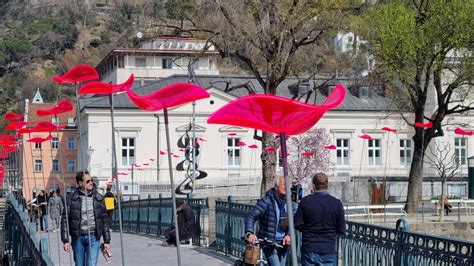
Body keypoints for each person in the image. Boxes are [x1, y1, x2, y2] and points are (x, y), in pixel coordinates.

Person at [294, 173, 345, 266]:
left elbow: (297, 223)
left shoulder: (305, 202)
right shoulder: (336, 203)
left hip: (310, 247)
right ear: (327, 185)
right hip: (328, 248)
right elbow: (341, 228)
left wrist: (307, 229)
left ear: (314, 185)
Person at [61, 171, 111, 266]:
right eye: (88, 181)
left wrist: (107, 241)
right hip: (78, 238)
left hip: (94, 237)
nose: (91, 183)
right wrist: (65, 240)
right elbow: (65, 219)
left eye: (91, 180)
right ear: (80, 183)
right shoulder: (71, 199)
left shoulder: (99, 198)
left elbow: (104, 220)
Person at [245, 175, 291, 266]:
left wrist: (289, 234)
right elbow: (251, 216)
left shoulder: (289, 203)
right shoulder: (267, 201)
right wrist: (249, 233)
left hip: (284, 243)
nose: (287, 187)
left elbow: (293, 222)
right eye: (284, 185)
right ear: (277, 186)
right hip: (269, 242)